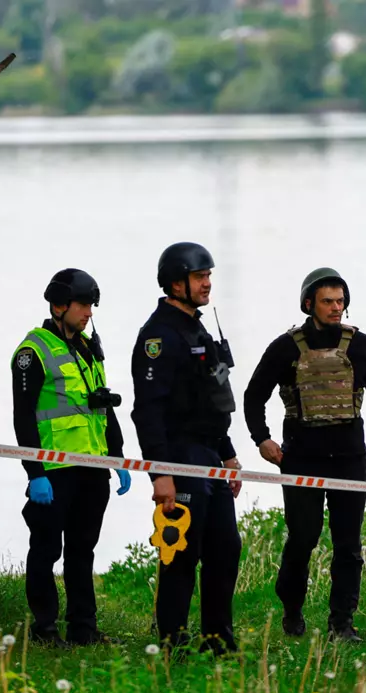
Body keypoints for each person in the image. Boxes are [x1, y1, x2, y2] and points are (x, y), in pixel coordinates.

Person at [243, 267, 366, 643]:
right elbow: (253, 395)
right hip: (301, 458)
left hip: (349, 458)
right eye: (328, 301)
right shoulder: (285, 347)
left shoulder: (360, 345)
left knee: (348, 543)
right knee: (303, 538)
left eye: (341, 301)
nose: (336, 308)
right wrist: (262, 439)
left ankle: (341, 624)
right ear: (309, 304)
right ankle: (292, 610)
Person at [131, 241, 244, 656]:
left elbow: (214, 400)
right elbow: (147, 411)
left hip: (209, 453)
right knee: (182, 551)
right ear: (176, 283)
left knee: (225, 547)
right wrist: (160, 473)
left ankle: (217, 640)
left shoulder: (198, 327)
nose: (207, 284)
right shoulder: (158, 336)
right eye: (200, 277)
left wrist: (228, 453)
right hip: (179, 455)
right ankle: (172, 643)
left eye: (209, 276)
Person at [12, 268, 132, 648]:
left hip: (93, 469)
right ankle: (45, 630)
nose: (89, 313)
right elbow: (23, 416)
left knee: (83, 551)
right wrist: (35, 472)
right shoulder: (33, 352)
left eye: (92, 306)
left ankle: (84, 629)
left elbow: (103, 406)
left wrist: (118, 457)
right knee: (46, 550)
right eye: (83, 305)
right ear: (59, 305)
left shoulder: (86, 349)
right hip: (54, 470)